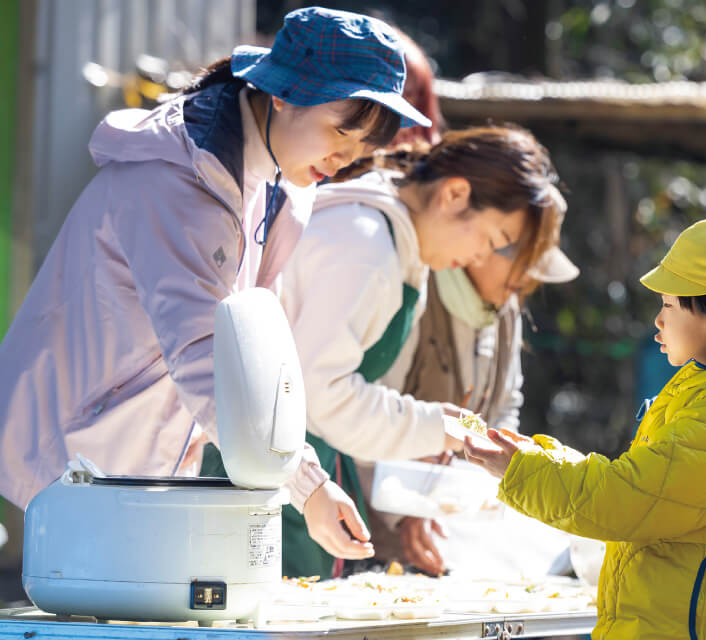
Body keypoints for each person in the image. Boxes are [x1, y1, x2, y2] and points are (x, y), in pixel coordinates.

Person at [0, 6, 432, 563]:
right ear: (283, 94)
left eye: (362, 146)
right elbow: (211, 354)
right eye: (340, 131)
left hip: (133, 469)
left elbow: (250, 350)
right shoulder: (177, 179)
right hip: (72, 464)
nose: (346, 158)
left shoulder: (281, 180)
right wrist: (308, 486)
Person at [465, 216, 706, 640]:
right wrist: (541, 458)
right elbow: (646, 486)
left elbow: (626, 500)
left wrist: (523, 468)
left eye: (669, 305)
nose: (658, 320)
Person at [261, 125, 565, 579]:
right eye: (493, 238)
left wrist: (444, 428)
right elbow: (324, 398)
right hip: (253, 475)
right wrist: (443, 427)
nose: (482, 257)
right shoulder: (364, 244)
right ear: (454, 194)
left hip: (299, 473)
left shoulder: (401, 246)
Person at [362, 201, 579, 576]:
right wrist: (407, 510)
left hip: (460, 534)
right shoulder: (415, 291)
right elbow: (367, 414)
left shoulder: (507, 310)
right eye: (523, 262)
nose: (529, 281)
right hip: (372, 532)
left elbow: (506, 407)